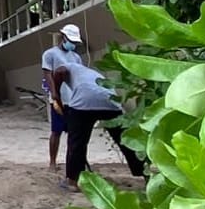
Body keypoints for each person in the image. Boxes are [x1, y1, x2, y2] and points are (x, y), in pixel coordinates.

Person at [53, 54, 145, 190]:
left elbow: (60, 71)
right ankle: (144, 174)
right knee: (125, 140)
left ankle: (72, 181)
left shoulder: (69, 66)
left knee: (77, 143)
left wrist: (56, 93)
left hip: (84, 102)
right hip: (110, 102)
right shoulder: (89, 73)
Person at [41, 22, 85, 173]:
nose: (73, 44)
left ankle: (73, 162)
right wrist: (54, 93)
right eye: (71, 41)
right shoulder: (50, 54)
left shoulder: (76, 57)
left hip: (74, 99)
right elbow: (48, 74)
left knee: (74, 133)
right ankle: (52, 162)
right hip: (59, 99)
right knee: (56, 130)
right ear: (63, 37)